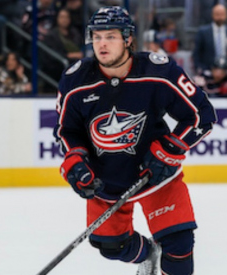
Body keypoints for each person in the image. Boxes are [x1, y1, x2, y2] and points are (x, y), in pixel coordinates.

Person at [54, 7, 216, 275]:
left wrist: (170, 150)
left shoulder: (159, 72)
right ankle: (150, 254)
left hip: (154, 174)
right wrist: (76, 161)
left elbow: (201, 115)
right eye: (96, 37)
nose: (102, 44)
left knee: (180, 244)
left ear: (128, 39)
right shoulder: (75, 81)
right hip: (105, 180)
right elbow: (66, 131)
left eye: (111, 36)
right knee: (111, 246)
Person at [192, 4, 227, 73]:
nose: (220, 16)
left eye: (222, 14)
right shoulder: (203, 32)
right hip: (207, 70)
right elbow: (196, 53)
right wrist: (200, 68)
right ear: (212, 15)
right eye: (217, 14)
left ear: (226, 15)